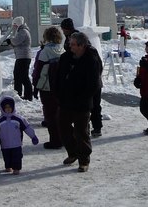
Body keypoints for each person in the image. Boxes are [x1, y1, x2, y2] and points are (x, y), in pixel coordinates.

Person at [54, 31, 101, 173]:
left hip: (82, 103)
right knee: (63, 128)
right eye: (70, 44)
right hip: (65, 101)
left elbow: (94, 84)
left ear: (82, 46)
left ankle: (84, 159)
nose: (70, 47)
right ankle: (73, 152)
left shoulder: (91, 60)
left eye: (73, 44)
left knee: (82, 132)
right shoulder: (65, 58)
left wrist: (83, 97)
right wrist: (58, 94)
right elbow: (57, 77)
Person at [60, 17, 104, 137]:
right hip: (84, 82)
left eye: (73, 45)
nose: (71, 47)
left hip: (91, 83)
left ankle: (96, 126)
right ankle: (88, 127)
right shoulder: (72, 43)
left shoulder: (90, 56)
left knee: (93, 105)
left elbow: (97, 70)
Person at [31, 26, 64, 149]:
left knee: (50, 115)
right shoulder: (62, 50)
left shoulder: (44, 52)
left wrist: (35, 86)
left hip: (47, 87)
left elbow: (38, 71)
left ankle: (55, 141)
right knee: (61, 114)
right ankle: (64, 138)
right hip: (60, 87)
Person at [0, 96, 38, 174]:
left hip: (17, 144)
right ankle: (8, 166)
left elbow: (27, 127)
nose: (8, 109)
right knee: (6, 157)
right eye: (6, 107)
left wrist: (33, 136)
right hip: (5, 144)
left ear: (13, 107)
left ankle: (16, 168)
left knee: (17, 157)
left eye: (10, 107)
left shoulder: (18, 119)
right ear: (2, 108)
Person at [6, 16, 33, 101]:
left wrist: (10, 41)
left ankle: (28, 96)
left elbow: (16, 41)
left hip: (23, 57)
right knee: (17, 75)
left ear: (17, 24)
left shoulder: (23, 31)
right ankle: (18, 93)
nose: (14, 26)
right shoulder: (21, 31)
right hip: (21, 56)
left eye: (14, 24)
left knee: (23, 76)